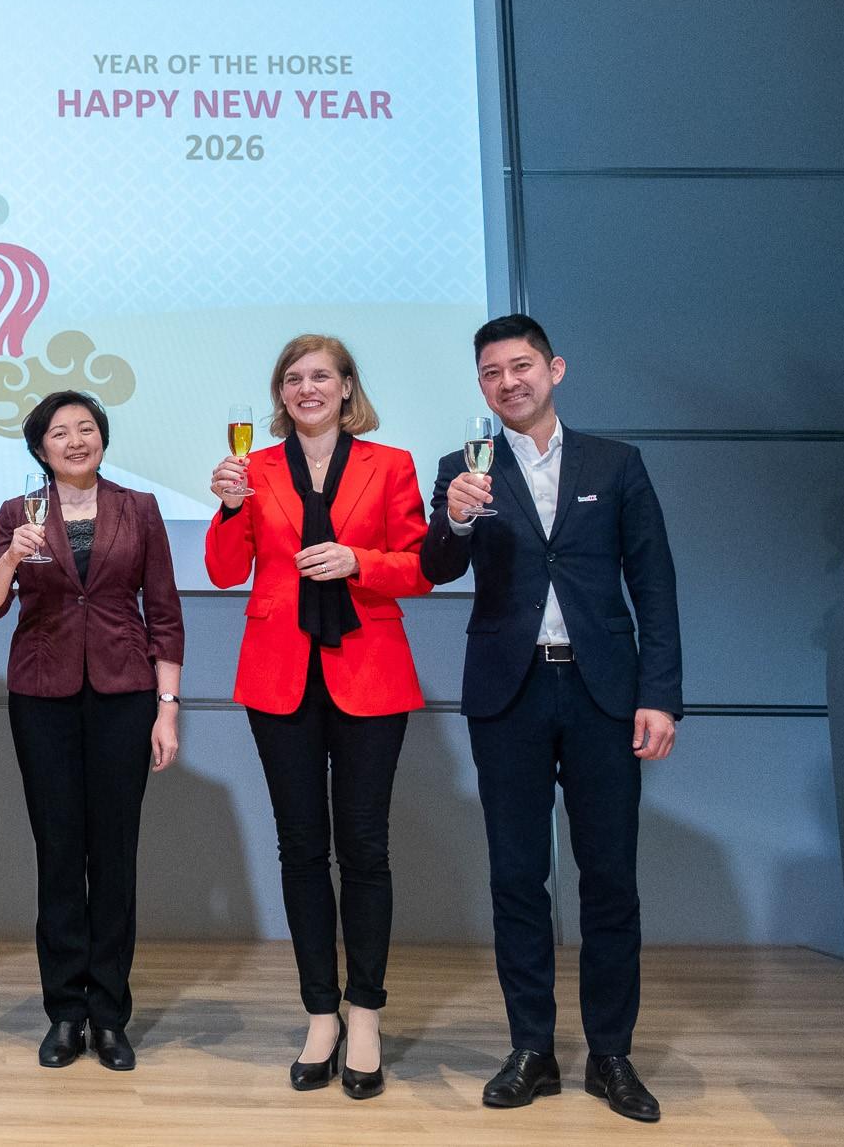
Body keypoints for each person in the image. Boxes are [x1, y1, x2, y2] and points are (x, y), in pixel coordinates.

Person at [421, 314, 679, 1123]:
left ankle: (611, 1053)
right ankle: (531, 1046)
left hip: (604, 693)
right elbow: (435, 567)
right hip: (510, 693)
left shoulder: (615, 463)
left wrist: (660, 693)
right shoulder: (463, 467)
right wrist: (455, 518)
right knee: (515, 876)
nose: (509, 382)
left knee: (610, 879)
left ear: (555, 369)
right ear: (481, 385)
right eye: (492, 372)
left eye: (521, 366)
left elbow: (655, 585)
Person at [205, 333, 429, 1100]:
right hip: (280, 678)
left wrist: (359, 561)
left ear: (346, 387)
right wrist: (229, 507)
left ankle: (365, 1014)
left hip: (371, 673)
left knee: (364, 849)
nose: (307, 387)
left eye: (321, 375)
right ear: (281, 393)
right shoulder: (255, 468)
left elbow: (421, 567)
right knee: (301, 849)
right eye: (293, 377)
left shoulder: (390, 464)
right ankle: (320, 1014)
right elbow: (224, 571)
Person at [0, 390, 182, 1071]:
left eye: (86, 428)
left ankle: (110, 1015)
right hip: (43, 697)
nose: (75, 440)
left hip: (125, 694)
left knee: (114, 856)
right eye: (59, 433)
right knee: (59, 852)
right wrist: (11, 556)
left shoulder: (139, 508)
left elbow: (164, 612)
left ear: (102, 438)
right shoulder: (19, 513)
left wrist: (168, 707)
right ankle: (65, 1011)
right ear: (41, 448)